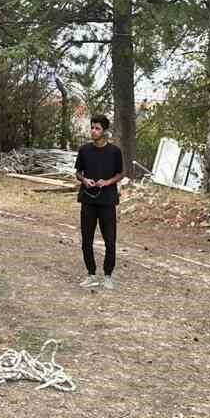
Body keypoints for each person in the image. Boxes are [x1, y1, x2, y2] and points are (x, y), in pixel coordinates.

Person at [73, 115, 124, 290]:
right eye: (92, 128)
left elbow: (120, 173)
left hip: (107, 200)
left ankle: (108, 276)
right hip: (88, 199)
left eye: (97, 128)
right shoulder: (84, 150)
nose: (93, 131)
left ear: (105, 131)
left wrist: (108, 182)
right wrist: (84, 180)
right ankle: (91, 274)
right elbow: (78, 172)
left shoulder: (115, 152)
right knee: (86, 240)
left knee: (110, 240)